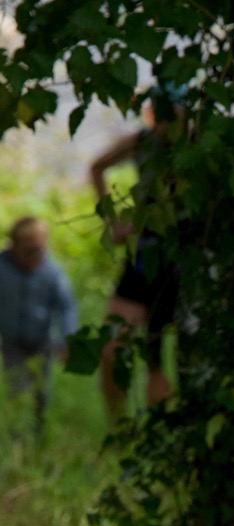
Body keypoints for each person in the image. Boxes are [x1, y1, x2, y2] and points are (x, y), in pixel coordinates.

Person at [89, 85, 183, 421]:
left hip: (183, 262)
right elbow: (97, 167)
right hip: (144, 255)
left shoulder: (198, 145)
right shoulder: (143, 142)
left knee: (165, 363)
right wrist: (113, 222)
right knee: (111, 348)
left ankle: (164, 433)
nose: (163, 123)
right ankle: (118, 427)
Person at [0, 216, 78, 436]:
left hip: (41, 343)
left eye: (39, 250)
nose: (35, 256)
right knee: (16, 391)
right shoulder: (2, 269)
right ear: (14, 247)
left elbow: (66, 307)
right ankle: (15, 439)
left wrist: (67, 339)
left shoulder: (52, 272)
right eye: (29, 250)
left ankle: (37, 435)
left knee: (40, 393)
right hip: (12, 344)